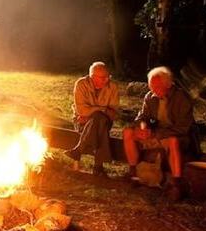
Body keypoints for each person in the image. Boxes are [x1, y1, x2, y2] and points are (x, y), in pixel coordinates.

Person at [123, 66, 197, 201]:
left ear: (168, 84)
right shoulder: (150, 97)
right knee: (128, 133)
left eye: (157, 87)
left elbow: (183, 128)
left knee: (173, 141)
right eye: (151, 86)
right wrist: (143, 127)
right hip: (155, 134)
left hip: (176, 136)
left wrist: (156, 134)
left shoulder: (181, 98)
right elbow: (142, 117)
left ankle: (176, 184)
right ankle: (134, 174)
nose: (153, 90)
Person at [66, 62, 119, 175]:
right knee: (100, 122)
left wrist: (91, 114)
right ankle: (98, 167)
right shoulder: (81, 84)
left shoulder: (113, 87)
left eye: (107, 77)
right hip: (82, 122)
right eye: (102, 78)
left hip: (96, 121)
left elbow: (114, 114)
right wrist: (103, 109)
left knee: (99, 119)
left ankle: (78, 150)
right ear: (92, 77)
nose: (106, 80)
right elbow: (81, 111)